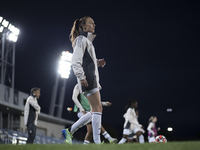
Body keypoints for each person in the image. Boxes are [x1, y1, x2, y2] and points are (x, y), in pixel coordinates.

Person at [62, 16, 106, 144]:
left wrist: (97, 63)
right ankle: (97, 143)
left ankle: (70, 130)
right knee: (97, 109)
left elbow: (87, 61)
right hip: (88, 79)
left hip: (90, 78)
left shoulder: (85, 40)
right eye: (91, 23)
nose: (94, 25)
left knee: (95, 110)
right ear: (84, 27)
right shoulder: (81, 39)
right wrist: (81, 77)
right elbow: (75, 61)